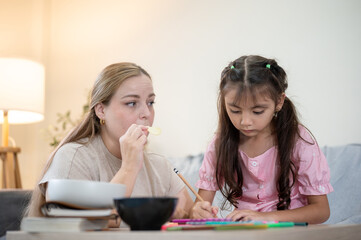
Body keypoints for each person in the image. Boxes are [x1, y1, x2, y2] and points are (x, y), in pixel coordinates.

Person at [27, 62, 193, 222]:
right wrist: (129, 167)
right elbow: (94, 222)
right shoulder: (72, 158)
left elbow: (188, 212)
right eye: (131, 103)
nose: (146, 113)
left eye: (150, 103)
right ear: (101, 110)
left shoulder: (160, 166)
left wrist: (195, 213)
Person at [191, 55, 333, 224]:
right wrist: (198, 211)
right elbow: (201, 204)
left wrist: (267, 217)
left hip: (292, 231)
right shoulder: (220, 144)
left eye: (257, 111)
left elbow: (321, 210)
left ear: (279, 101)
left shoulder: (298, 141)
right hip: (246, 231)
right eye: (235, 111)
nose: (245, 122)